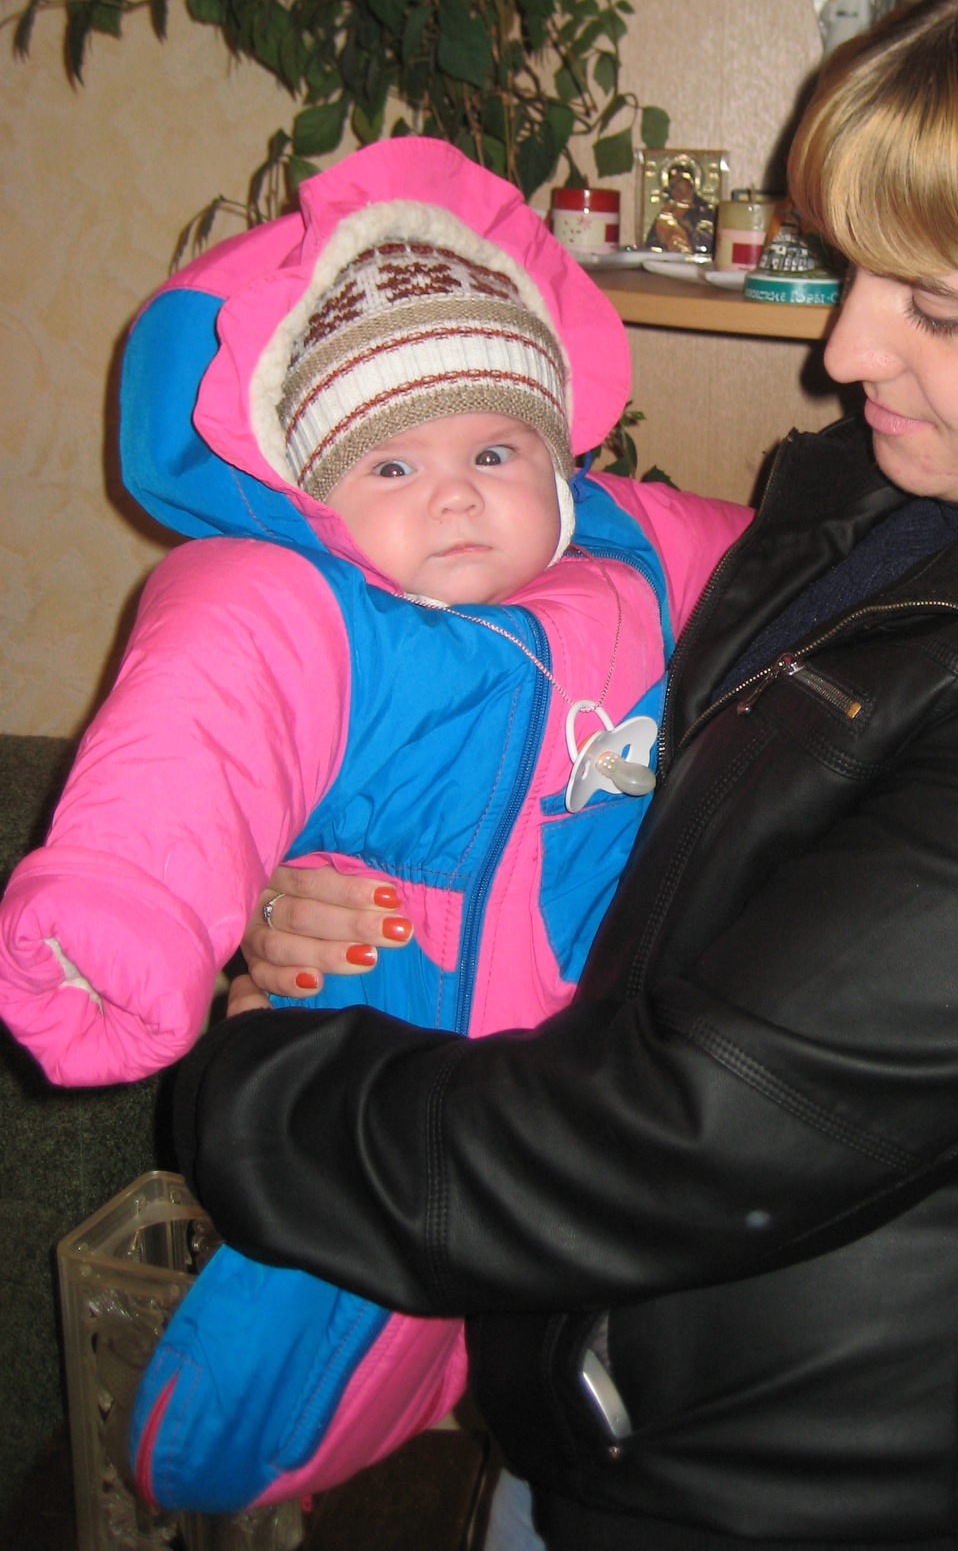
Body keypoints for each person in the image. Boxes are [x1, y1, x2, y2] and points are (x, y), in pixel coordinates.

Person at [177, 0, 958, 1551]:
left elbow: (691, 1136)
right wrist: (358, 895)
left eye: (938, 306)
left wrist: (246, 1088)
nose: (845, 349)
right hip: (608, 1410)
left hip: (802, 1494)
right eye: (853, 266)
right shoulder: (892, 504)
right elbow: (641, 835)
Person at [0, 137, 745, 1512]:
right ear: (315, 506)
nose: (456, 492)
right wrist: (126, 914)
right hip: (409, 1057)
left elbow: (794, 567)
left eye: (494, 450)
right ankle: (243, 1433)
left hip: (626, 1074)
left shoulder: (635, 558)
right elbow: (201, 725)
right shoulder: (319, 620)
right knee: (340, 1312)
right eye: (390, 466)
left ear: (560, 462)